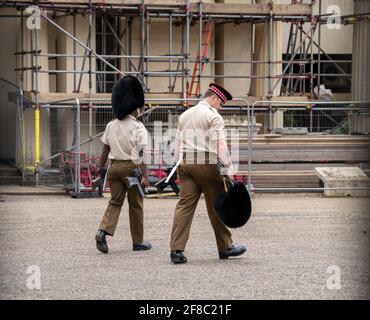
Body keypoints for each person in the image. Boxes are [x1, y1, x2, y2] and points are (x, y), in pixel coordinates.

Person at [169, 83, 246, 264]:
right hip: (206, 162)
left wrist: (174, 166)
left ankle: (176, 250)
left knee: (184, 206)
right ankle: (225, 246)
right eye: (221, 104)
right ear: (214, 98)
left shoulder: (185, 115)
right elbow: (220, 145)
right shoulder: (213, 116)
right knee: (217, 204)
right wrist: (229, 167)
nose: (220, 108)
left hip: (186, 163)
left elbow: (178, 145)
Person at [95, 75, 152, 254]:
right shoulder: (137, 127)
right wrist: (145, 175)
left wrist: (100, 170)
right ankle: (138, 241)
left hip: (114, 167)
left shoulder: (111, 125)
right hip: (131, 168)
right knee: (136, 205)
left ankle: (102, 230)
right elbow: (140, 153)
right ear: (134, 107)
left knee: (115, 202)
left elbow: (104, 150)